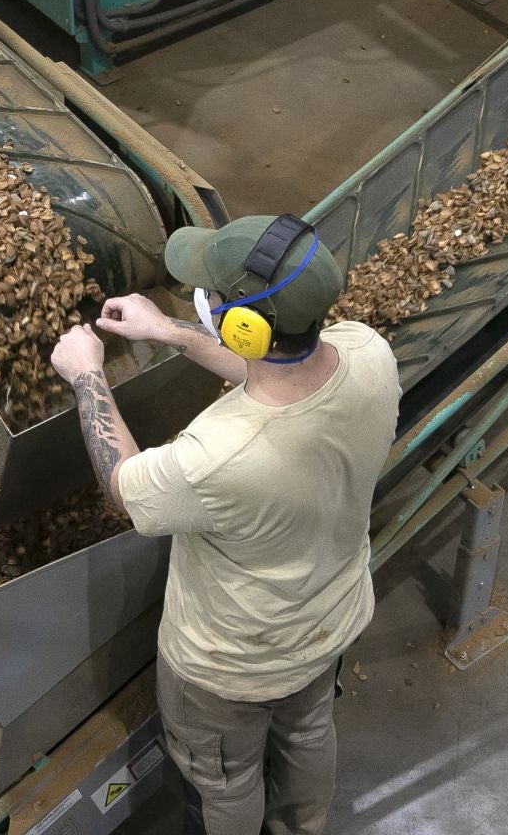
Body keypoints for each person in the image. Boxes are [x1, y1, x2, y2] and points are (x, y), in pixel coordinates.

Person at [48, 213, 400, 835]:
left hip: (230, 668)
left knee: (224, 781)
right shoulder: (369, 353)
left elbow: (122, 490)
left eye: (204, 294)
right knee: (309, 732)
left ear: (243, 324)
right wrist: (173, 333)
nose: (197, 299)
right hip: (328, 622)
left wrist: (87, 376)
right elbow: (274, 372)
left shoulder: (219, 453)